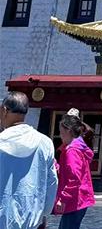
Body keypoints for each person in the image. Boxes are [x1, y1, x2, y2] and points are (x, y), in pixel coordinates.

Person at [0, 92, 58, 229]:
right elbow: (52, 182)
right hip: (31, 220)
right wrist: (44, 214)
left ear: (4, 111)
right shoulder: (45, 143)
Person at [53, 113, 95, 229]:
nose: (60, 136)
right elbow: (71, 172)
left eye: (61, 132)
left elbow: (74, 178)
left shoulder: (72, 151)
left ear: (69, 131)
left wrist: (63, 199)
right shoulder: (79, 148)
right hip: (79, 199)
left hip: (74, 200)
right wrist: (56, 165)